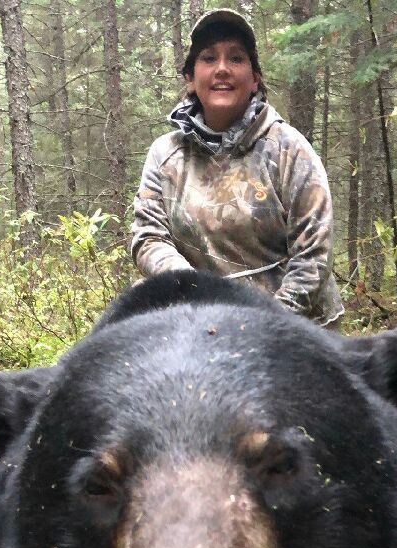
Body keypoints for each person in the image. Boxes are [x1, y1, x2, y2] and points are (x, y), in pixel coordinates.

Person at [131, 9, 344, 329]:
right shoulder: (166, 155)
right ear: (190, 78)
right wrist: (193, 288)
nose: (222, 69)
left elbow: (314, 255)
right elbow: (149, 237)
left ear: (254, 78)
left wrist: (264, 326)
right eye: (208, 58)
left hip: (296, 326)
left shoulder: (289, 150)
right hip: (201, 321)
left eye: (236, 58)